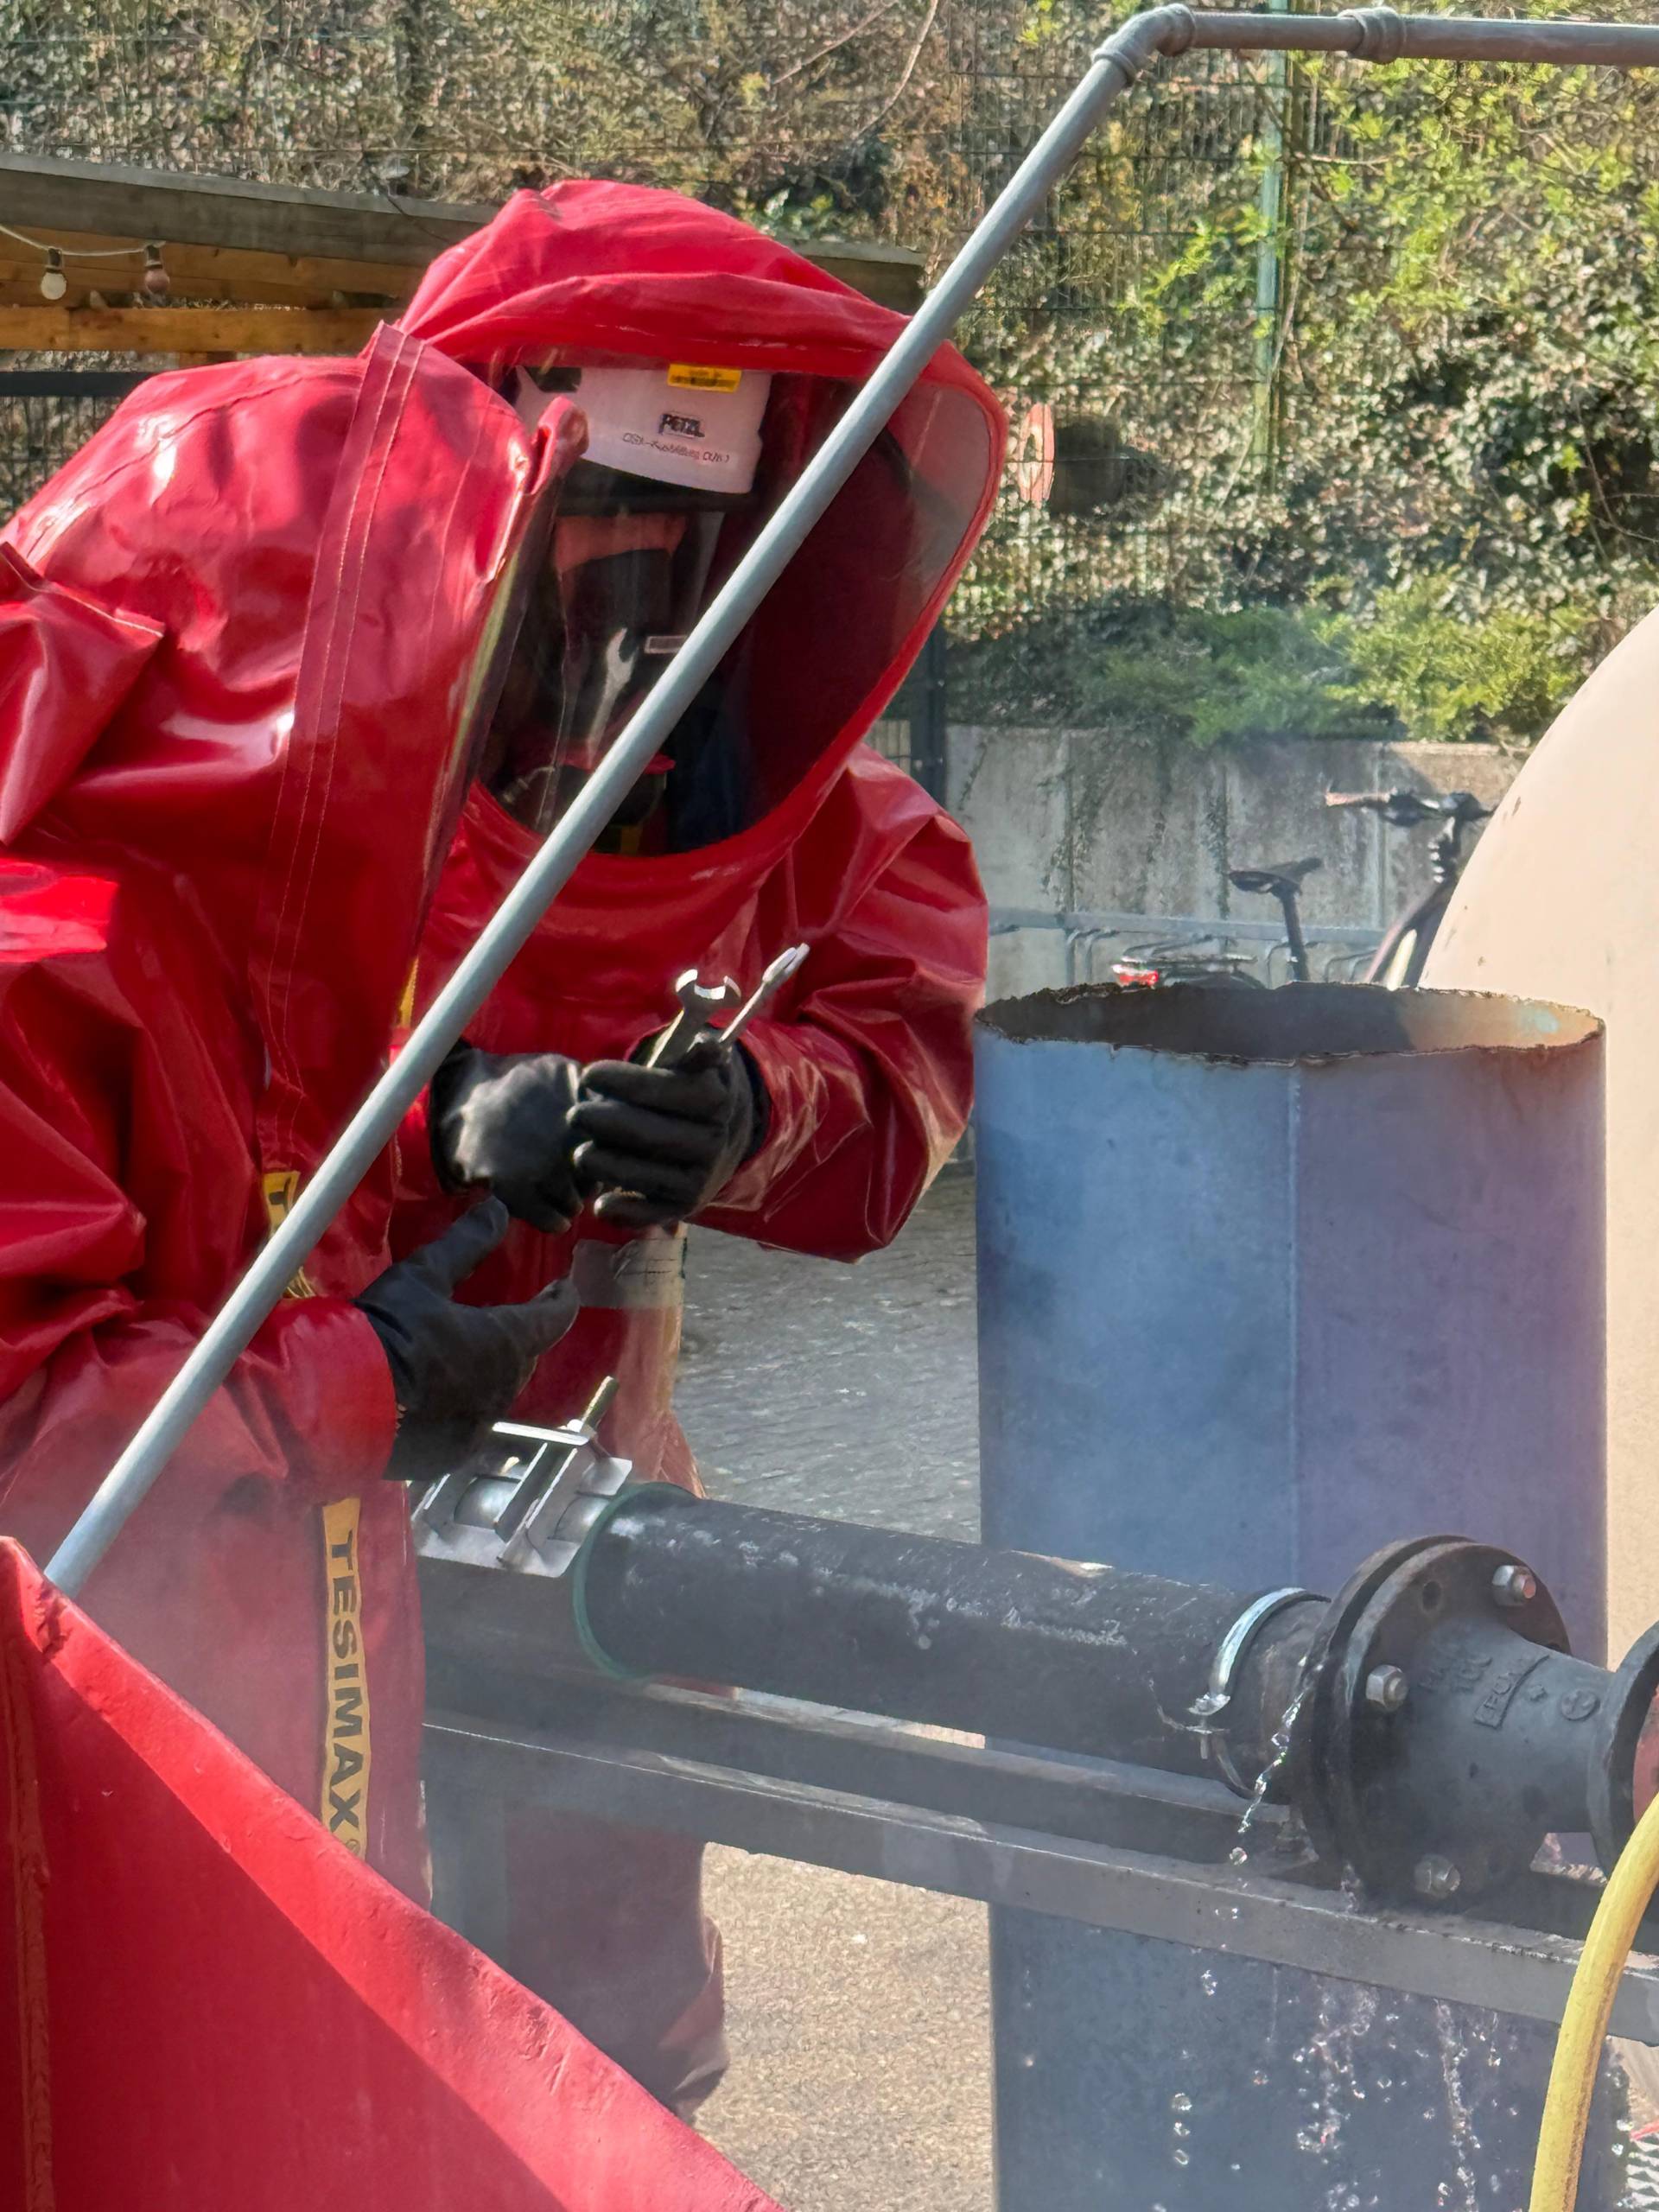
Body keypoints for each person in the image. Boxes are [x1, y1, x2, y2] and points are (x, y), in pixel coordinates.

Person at [388, 181, 1007, 2112]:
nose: (623, 612)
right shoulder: (294, 737)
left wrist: (745, 1110)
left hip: (594, 1491)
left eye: (681, 549)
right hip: (284, 1476)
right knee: (316, 1987)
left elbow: (898, 1060)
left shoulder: (782, 787)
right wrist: (426, 1107)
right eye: (588, 531)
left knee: (597, 2018)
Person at [0, 328, 585, 1893]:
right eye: (444, 671)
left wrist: (440, 1123)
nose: (487, 726)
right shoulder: (35, 956)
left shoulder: (218, 924)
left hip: (276, 1759)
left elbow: (217, 1227)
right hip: (92, 1856)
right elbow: (26, 1450)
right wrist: (365, 1383)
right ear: (298, 687)